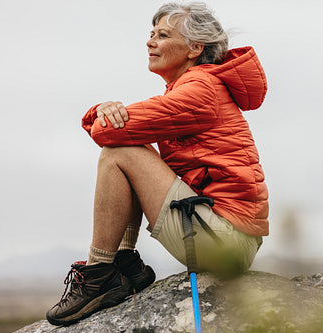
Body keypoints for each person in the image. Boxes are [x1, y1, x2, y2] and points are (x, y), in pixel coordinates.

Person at [46, 1, 269, 326]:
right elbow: (122, 127)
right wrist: (106, 110)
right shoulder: (194, 86)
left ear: (195, 47)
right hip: (226, 235)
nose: (150, 42)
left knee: (119, 153)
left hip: (224, 240)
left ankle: (99, 274)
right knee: (130, 144)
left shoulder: (200, 90)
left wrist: (100, 113)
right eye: (151, 34)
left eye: (162, 35)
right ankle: (124, 262)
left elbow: (108, 131)